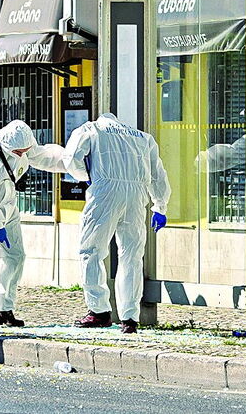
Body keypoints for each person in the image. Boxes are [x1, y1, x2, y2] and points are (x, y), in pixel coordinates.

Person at [63, 113, 171, 334]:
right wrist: (160, 205)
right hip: (136, 196)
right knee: (131, 255)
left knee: (91, 251)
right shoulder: (142, 137)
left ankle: (99, 311)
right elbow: (157, 174)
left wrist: (87, 176)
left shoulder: (92, 129)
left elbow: (71, 158)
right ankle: (130, 318)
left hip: (104, 192)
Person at [0, 121, 67, 328]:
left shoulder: (24, 146)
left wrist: (75, 163)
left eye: (25, 151)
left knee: (16, 257)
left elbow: (45, 156)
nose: (23, 154)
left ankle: (5, 307)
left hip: (8, 209)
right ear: (7, 145)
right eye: (19, 151)